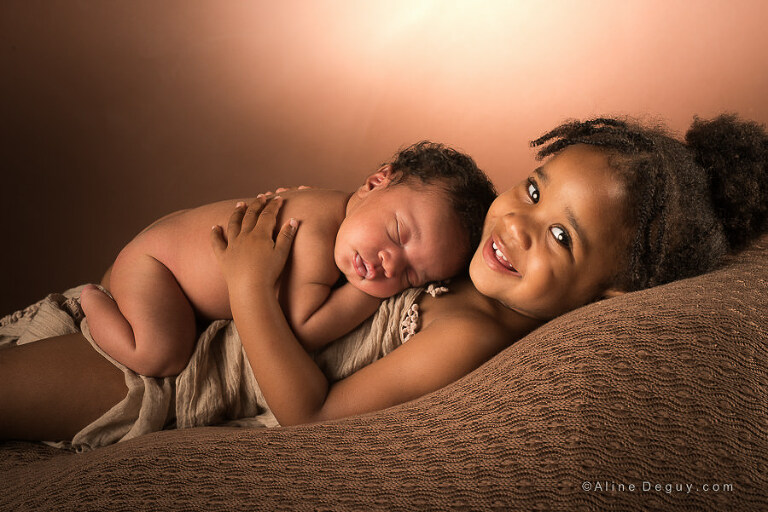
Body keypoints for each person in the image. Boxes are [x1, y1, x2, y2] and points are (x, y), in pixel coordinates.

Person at [0, 114, 765, 443]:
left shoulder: (470, 331)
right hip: (180, 319)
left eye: (560, 237)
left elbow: (314, 417)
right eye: (532, 191)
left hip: (187, 376)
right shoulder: (464, 258)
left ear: (612, 294)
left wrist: (245, 283)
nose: (517, 227)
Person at [79, 141, 498, 377]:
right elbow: (303, 329)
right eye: (397, 235)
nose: (390, 263)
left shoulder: (339, 208)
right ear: (374, 183)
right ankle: (91, 301)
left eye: (411, 274)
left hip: (168, 242)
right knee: (162, 354)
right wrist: (368, 296)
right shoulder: (314, 234)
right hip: (157, 267)